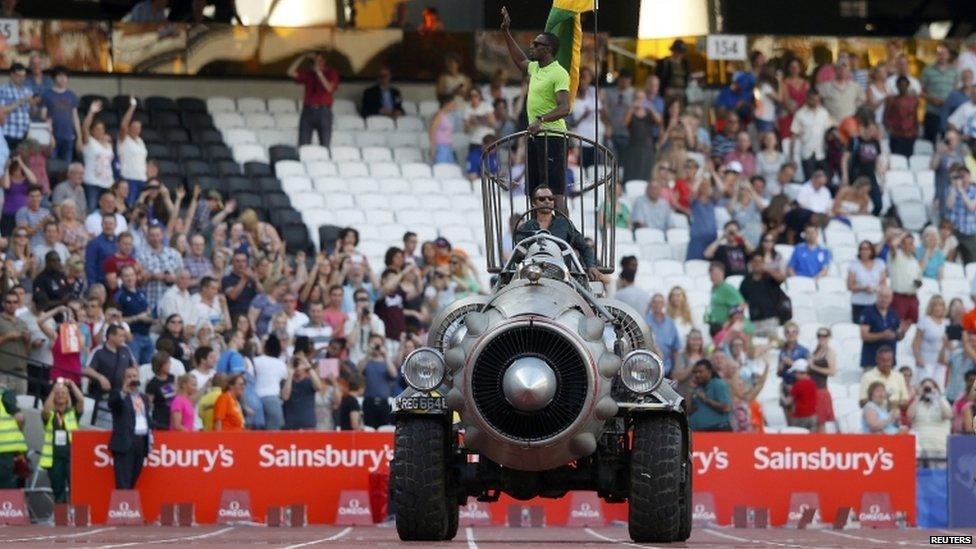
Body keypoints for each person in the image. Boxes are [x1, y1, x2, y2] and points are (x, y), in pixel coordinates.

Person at [501, 7, 571, 205]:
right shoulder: (534, 68)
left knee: (554, 192)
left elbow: (565, 107)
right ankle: (536, 230)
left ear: (547, 50)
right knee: (534, 190)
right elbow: (519, 59)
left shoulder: (558, 73)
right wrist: (506, 32)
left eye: (536, 44)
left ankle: (562, 232)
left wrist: (541, 120)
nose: (531, 46)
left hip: (553, 137)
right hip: (535, 135)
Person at [514, 186, 601, 280]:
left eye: (550, 198)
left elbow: (584, 247)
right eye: (542, 199)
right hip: (531, 276)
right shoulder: (525, 228)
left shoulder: (564, 224)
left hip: (562, 277)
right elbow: (518, 254)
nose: (547, 201)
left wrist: (591, 266)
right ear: (533, 203)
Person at [40, 378, 83, 502]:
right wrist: (55, 389)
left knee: (77, 490)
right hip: (54, 460)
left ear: (68, 397)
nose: (60, 395)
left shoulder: (73, 413)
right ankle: (62, 521)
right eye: (58, 393)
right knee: (58, 491)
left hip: (72, 458)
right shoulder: (50, 415)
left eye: (63, 393)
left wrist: (72, 384)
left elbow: (80, 400)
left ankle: (78, 520)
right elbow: (46, 410)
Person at [108, 366, 151, 489]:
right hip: (125, 443)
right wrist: (123, 391)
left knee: (133, 480)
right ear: (123, 379)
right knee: (123, 482)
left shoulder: (143, 397)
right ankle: (123, 506)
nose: (132, 379)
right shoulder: (118, 394)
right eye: (129, 376)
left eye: (134, 376)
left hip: (141, 442)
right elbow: (112, 404)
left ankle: (128, 506)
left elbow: (146, 418)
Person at [287, 52, 339, 148]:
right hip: (308, 110)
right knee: (303, 143)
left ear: (324, 61)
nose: (317, 63)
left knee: (325, 143)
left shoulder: (331, 73)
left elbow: (329, 88)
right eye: (315, 61)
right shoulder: (309, 74)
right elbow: (290, 72)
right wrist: (302, 56)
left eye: (319, 60)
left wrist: (319, 73)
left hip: (324, 111)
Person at [859, 288, 907, 369]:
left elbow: (899, 336)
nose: (884, 299)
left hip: (889, 363)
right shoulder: (868, 312)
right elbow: (864, 336)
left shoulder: (894, 313)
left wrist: (902, 332)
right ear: (877, 296)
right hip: (872, 361)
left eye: (887, 297)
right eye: (882, 296)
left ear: (891, 299)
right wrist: (882, 335)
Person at [790, 90, 832, 181]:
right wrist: (792, 157)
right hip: (807, 153)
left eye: (817, 100)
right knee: (810, 181)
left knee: (825, 181)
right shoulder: (800, 114)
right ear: (807, 99)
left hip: (821, 153)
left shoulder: (823, 113)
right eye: (813, 100)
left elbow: (829, 131)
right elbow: (794, 136)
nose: (816, 102)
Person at [357, 333, 397, 429]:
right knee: (368, 429)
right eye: (374, 344)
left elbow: (394, 374)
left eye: (378, 344)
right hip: (368, 401)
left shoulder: (386, 361)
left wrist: (386, 355)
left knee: (384, 429)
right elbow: (358, 371)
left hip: (383, 402)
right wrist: (368, 354)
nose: (376, 347)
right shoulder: (366, 361)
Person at [739, 253, 783, 337]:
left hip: (770, 318)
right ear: (751, 263)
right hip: (754, 320)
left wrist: (767, 269)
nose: (757, 264)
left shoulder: (769, 277)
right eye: (755, 262)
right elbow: (741, 299)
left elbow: (781, 279)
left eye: (760, 262)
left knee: (772, 344)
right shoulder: (746, 281)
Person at [909, 378, 953, 461]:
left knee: (939, 473)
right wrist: (918, 396)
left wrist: (937, 396)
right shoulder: (917, 403)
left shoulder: (942, 401)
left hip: (940, 446)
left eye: (930, 388)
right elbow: (909, 415)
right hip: (920, 448)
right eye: (925, 388)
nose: (927, 390)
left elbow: (948, 415)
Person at [859, 346, 910, 411]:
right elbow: (862, 402)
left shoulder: (899, 376)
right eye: (883, 360)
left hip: (895, 417)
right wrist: (881, 402)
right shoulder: (867, 377)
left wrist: (894, 404)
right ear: (877, 360)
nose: (886, 363)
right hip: (874, 417)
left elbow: (905, 401)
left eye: (889, 360)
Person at [253, 335, 287, 430]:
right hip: (273, 399)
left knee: (255, 435)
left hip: (256, 399)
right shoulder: (281, 364)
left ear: (265, 347)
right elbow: (284, 379)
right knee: (273, 436)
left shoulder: (256, 361)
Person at [688, 359, 733, 431]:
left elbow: (727, 408)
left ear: (709, 371)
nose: (697, 375)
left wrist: (706, 400)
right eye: (695, 372)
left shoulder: (718, 384)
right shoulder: (698, 387)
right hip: (699, 432)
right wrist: (690, 389)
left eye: (700, 372)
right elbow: (688, 410)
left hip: (718, 431)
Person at [282, 354, 324, 430]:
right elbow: (285, 397)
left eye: (299, 363)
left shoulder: (310, 381)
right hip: (290, 425)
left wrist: (308, 366)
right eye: (295, 363)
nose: (297, 366)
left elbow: (319, 387)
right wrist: (290, 374)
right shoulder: (285, 382)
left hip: (308, 425)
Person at [887, 231, 921, 323]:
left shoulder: (914, 261)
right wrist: (904, 234)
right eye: (906, 243)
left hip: (913, 297)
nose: (908, 245)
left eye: (911, 243)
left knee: (913, 324)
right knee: (897, 324)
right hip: (899, 297)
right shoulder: (896, 255)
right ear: (901, 244)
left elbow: (918, 278)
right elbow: (893, 244)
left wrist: (918, 283)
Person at [0, 289, 29, 395]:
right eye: (9, 302)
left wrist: (27, 340)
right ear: (3, 304)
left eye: (15, 302)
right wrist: (7, 336)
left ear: (18, 304)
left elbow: (27, 351)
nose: (12, 305)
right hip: (3, 372)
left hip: (21, 372)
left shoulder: (23, 323)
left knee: (21, 408)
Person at [884, 76, 920, 158]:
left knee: (908, 157)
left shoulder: (914, 100)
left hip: (910, 134)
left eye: (904, 85)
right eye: (900, 85)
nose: (902, 87)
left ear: (908, 85)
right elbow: (886, 115)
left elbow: (915, 116)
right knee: (896, 157)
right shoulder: (892, 100)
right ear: (897, 86)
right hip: (896, 135)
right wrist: (890, 128)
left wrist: (916, 130)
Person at [947, 165, 976, 264]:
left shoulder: (974, 190)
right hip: (954, 232)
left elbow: (971, 207)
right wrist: (954, 188)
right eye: (959, 176)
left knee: (971, 262)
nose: (961, 179)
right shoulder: (953, 190)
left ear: (969, 176)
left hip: (969, 234)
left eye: (963, 176)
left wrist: (961, 190)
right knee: (950, 261)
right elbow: (949, 206)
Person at [646, 294, 680, 376]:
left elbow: (675, 349)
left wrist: (675, 368)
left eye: (660, 302)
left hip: (667, 369)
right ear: (651, 304)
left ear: (664, 304)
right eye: (654, 302)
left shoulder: (670, 323)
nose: (657, 305)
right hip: (649, 369)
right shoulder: (645, 321)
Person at [145, 351, 175, 430]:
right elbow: (148, 404)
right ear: (160, 365)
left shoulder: (172, 378)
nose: (170, 365)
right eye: (167, 363)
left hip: (173, 416)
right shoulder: (152, 383)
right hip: (160, 419)